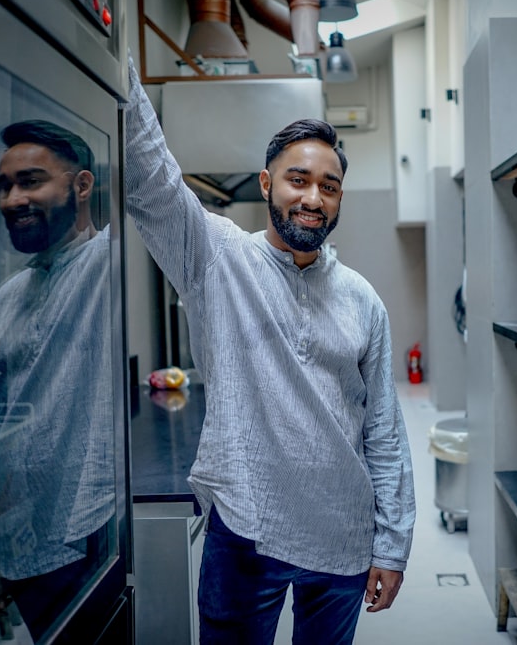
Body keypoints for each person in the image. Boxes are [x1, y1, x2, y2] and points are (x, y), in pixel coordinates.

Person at [124, 56, 416, 643]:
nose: (313, 198)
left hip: (341, 535)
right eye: (298, 180)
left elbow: (383, 428)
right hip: (246, 531)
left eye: (328, 187)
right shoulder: (218, 258)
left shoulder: (362, 300)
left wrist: (393, 543)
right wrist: (118, 63)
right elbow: (153, 180)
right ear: (267, 184)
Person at [0, 120, 115, 639]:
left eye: (30, 181)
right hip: (22, 543)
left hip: (93, 537)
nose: (11, 199)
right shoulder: (7, 299)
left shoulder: (108, 263)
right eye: (4, 186)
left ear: (82, 186)